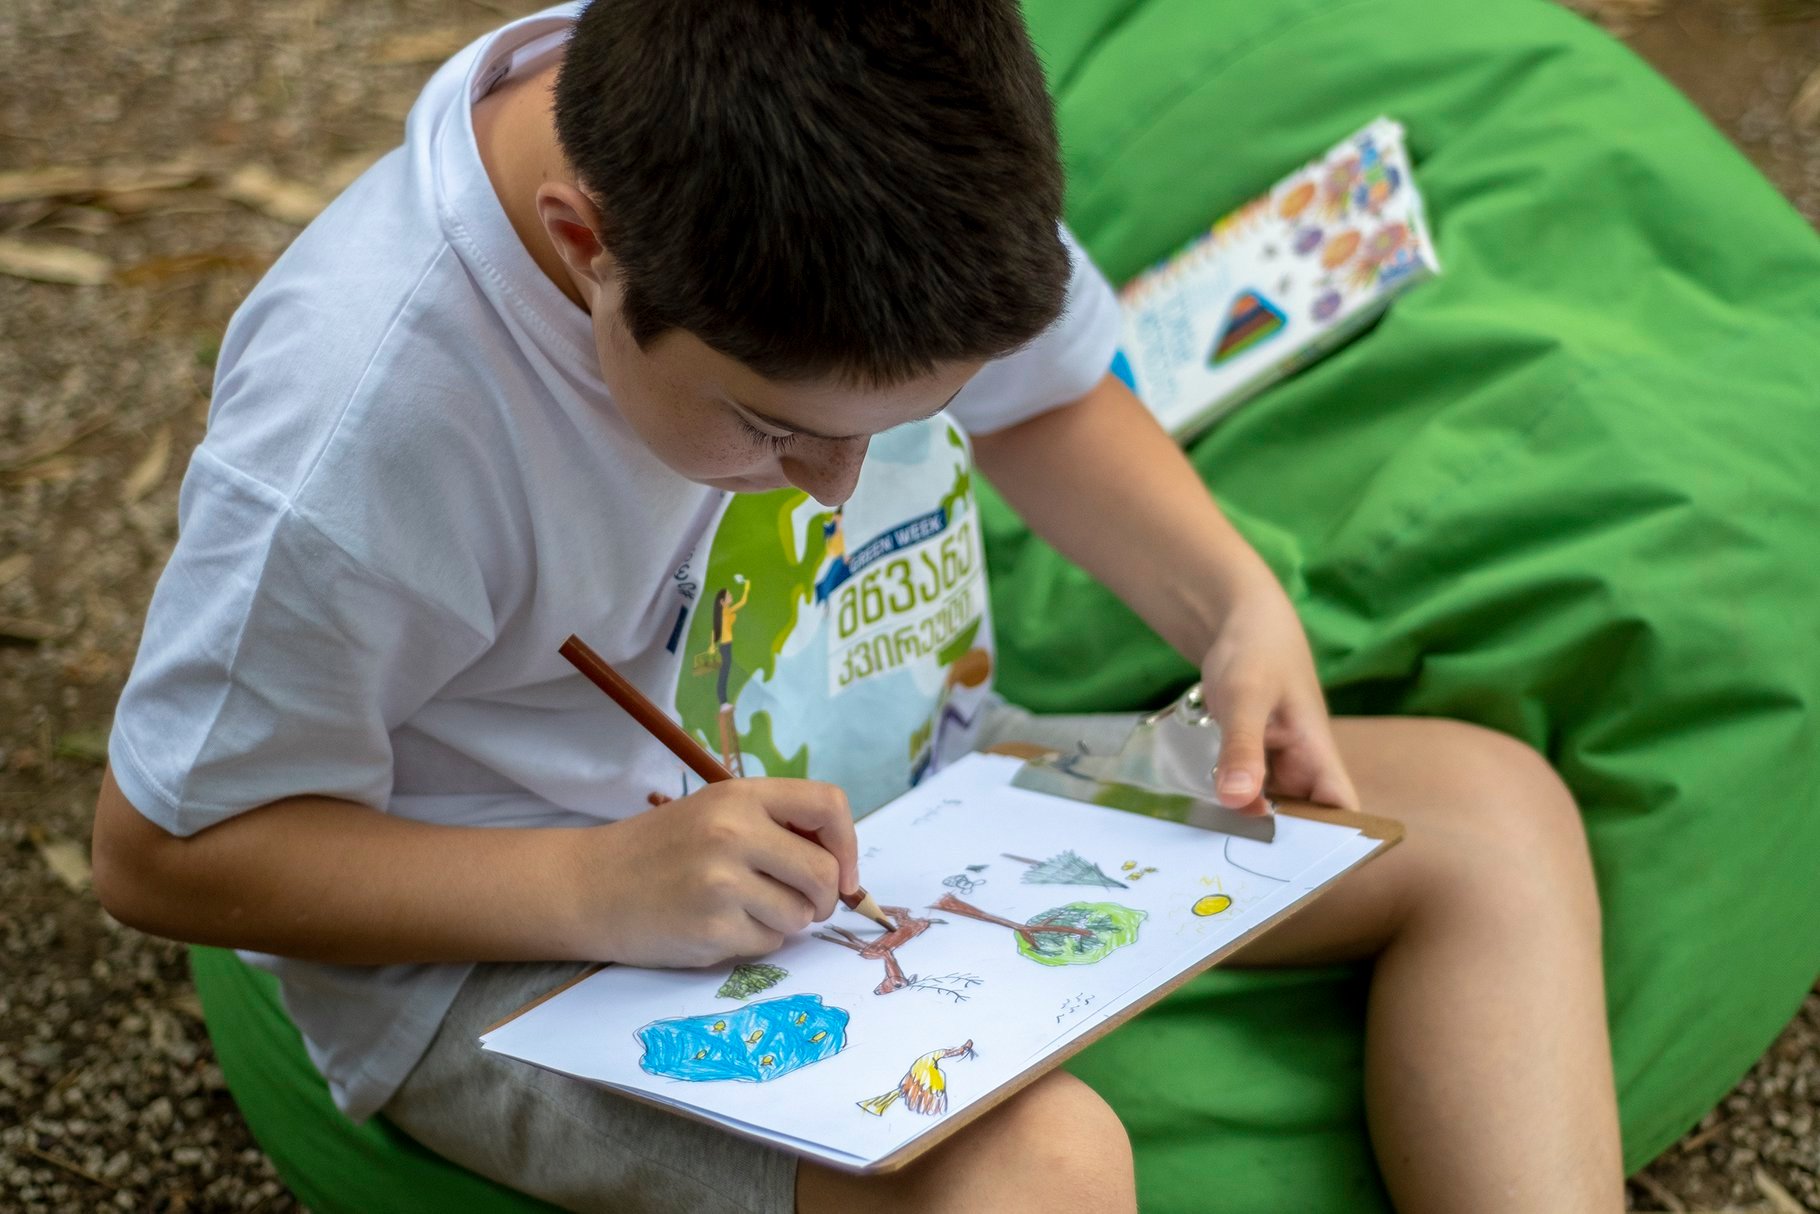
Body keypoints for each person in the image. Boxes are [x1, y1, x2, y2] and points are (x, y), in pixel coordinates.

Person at [88, 3, 1622, 1211]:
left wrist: (1231, 604)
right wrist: (594, 885)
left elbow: (1046, 398)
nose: (837, 487)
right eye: (774, 428)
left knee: (1489, 818)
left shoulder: (889, 153)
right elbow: (162, 848)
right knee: (1042, 1169)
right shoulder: (365, 431)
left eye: (911, 419)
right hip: (532, 941)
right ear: (584, 246)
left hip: (905, 785)